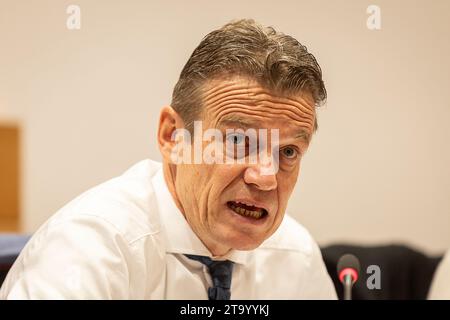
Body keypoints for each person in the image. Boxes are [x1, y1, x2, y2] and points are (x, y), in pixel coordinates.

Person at [0, 19, 336, 299]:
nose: (265, 177)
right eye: (237, 140)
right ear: (172, 136)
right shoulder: (91, 247)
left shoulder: (296, 258)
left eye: (288, 152)